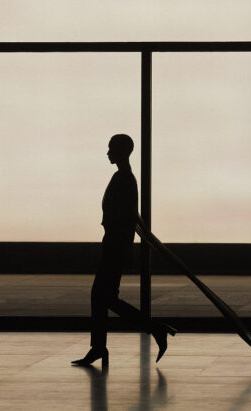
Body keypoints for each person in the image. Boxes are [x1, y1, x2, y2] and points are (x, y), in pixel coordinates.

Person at [72, 134, 176, 367]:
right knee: (104, 297)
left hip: (115, 247)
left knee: (102, 297)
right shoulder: (124, 178)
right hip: (114, 245)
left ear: (121, 151)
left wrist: (124, 247)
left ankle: (151, 330)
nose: (107, 152)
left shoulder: (124, 179)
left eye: (111, 148)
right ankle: (105, 346)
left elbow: (127, 218)